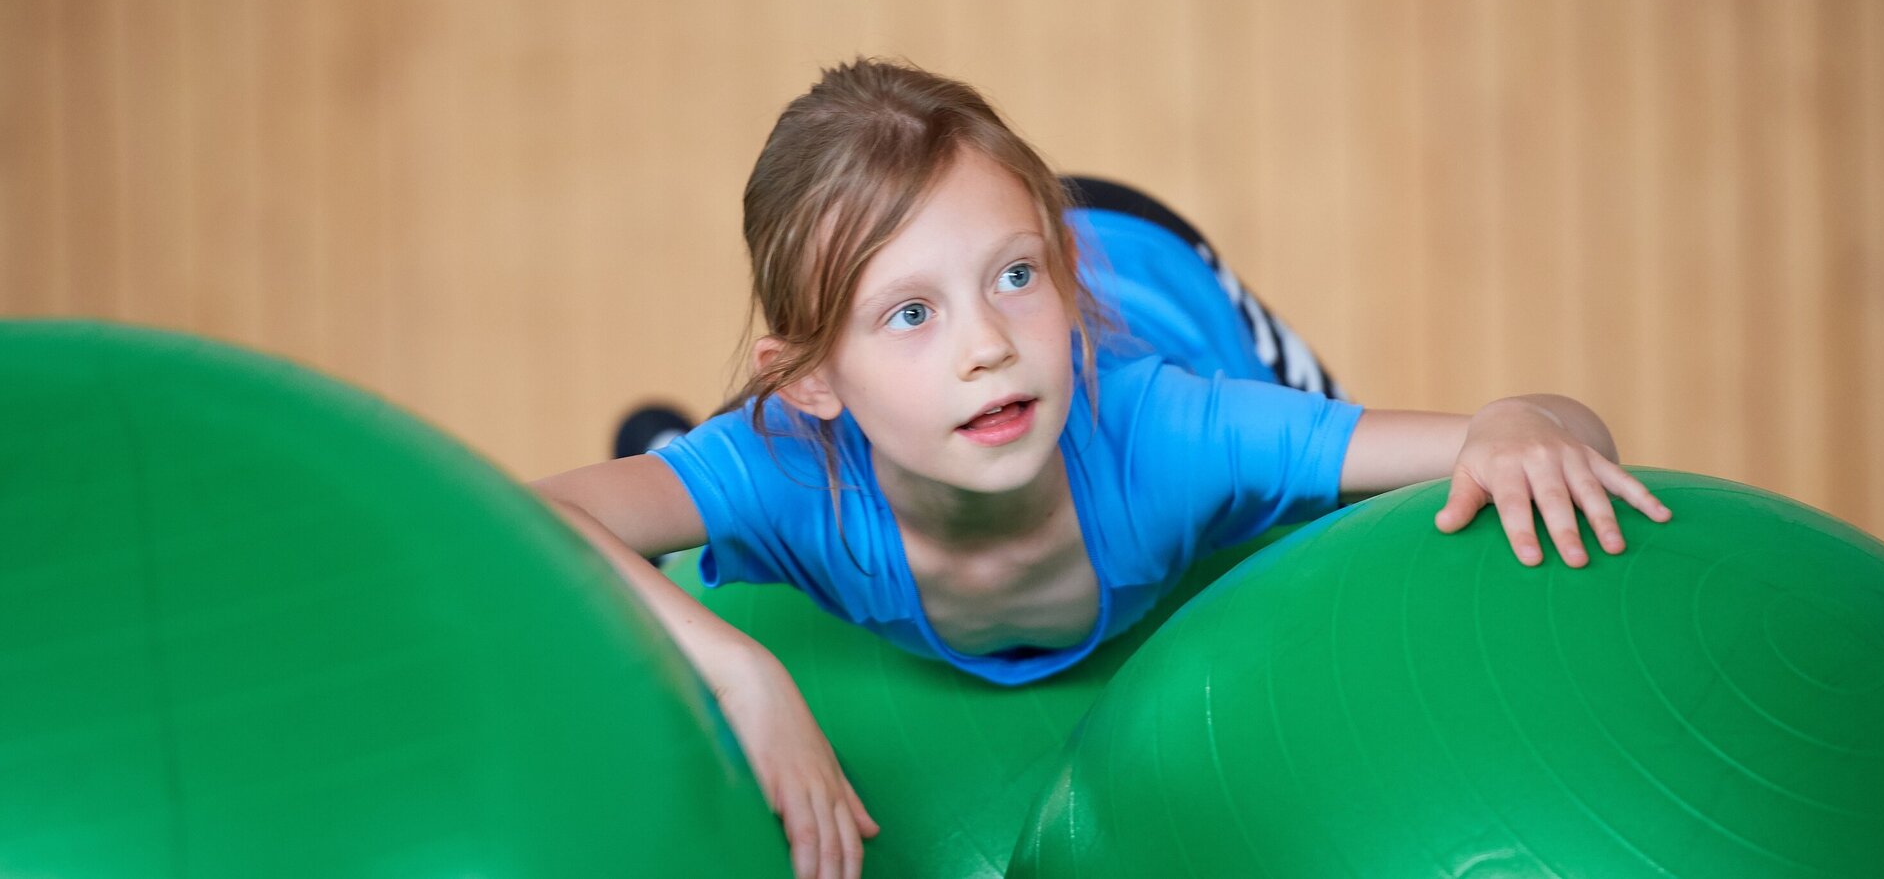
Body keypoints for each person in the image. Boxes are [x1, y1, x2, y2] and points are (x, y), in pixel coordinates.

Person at [532, 57, 1671, 879]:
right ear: (810, 384)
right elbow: (530, 520)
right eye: (914, 313)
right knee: (675, 522)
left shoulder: (1175, 433)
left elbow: (1530, 432)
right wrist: (748, 677)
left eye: (1015, 280)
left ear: (1058, 283)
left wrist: (1528, 415)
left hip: (1154, 273)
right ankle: (668, 456)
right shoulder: (794, 464)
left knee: (1327, 521)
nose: (986, 343)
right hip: (955, 320)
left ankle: (1004, 278)